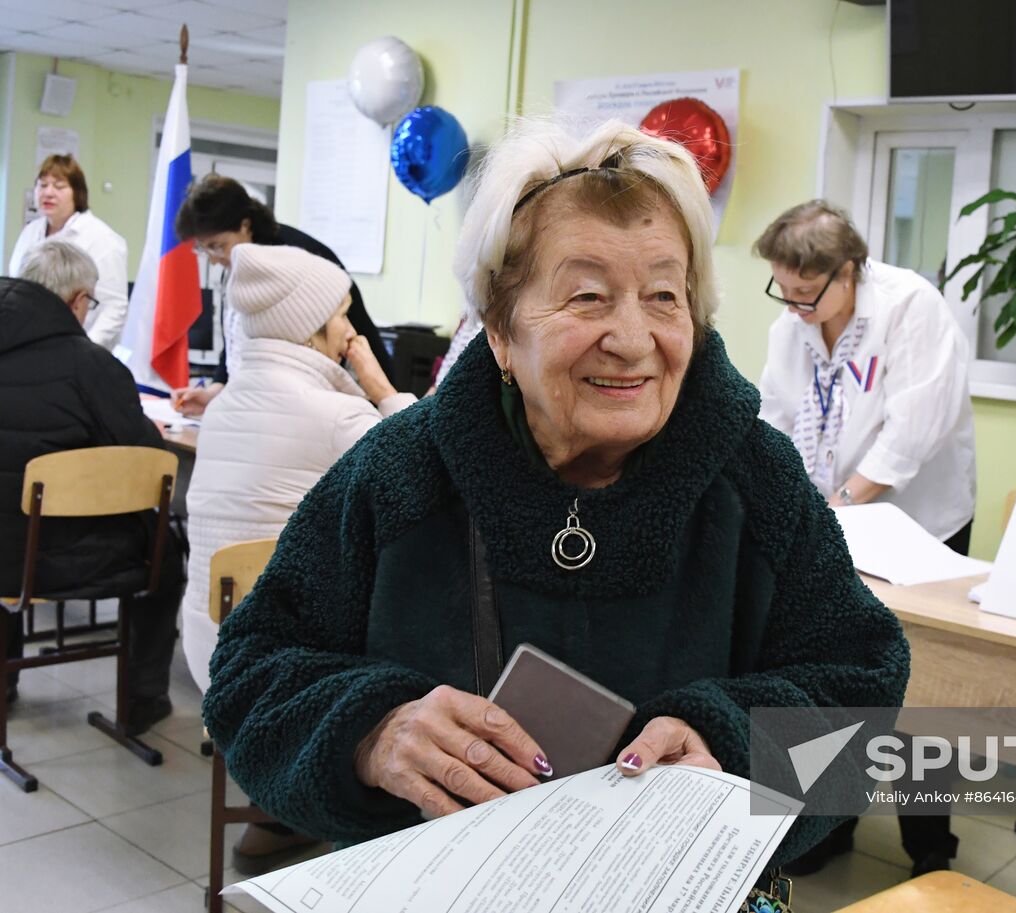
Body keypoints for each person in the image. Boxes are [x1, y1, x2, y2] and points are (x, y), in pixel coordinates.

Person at [202, 119, 910, 867]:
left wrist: (732, 747)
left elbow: (861, 712)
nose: (634, 338)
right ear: (500, 330)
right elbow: (249, 678)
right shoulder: (401, 472)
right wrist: (373, 731)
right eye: (588, 297)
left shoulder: (756, 481)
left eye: (664, 295)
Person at [754, 200, 975, 876]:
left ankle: (931, 846)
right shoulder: (793, 326)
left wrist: (838, 507)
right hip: (831, 524)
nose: (793, 307)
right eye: (783, 292)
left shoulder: (911, 307)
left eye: (806, 293)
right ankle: (827, 824)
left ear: (849, 271)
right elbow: (776, 416)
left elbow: (913, 430)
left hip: (917, 527)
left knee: (923, 691)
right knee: (832, 676)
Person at [178, 243, 414, 873]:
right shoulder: (337, 415)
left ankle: (275, 815)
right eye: (341, 315)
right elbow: (428, 470)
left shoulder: (223, 407)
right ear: (312, 330)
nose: (351, 330)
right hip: (276, 670)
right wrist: (379, 386)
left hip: (208, 649)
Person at [0, 241, 182, 730]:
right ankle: (141, 701)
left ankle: (5, 685)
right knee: (166, 552)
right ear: (79, 301)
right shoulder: (92, 366)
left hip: (6, 553)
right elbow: (151, 464)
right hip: (63, 560)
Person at [169, 174, 393, 415]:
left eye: (217, 246)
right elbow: (234, 339)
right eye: (204, 249)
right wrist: (216, 389)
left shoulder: (299, 260)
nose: (213, 259)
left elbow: (352, 335)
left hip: (319, 405)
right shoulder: (235, 266)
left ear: (244, 225)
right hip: (259, 405)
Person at [7, 155, 129, 351]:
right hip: (31, 346)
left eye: (59, 186)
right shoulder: (31, 231)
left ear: (77, 193)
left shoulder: (103, 238)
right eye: (42, 184)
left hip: (81, 350)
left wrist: (86, 349)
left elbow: (114, 307)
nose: (48, 193)